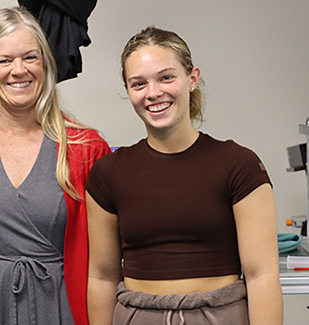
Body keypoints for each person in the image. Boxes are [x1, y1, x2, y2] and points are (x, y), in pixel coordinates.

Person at [85, 26, 283, 324]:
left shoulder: (239, 165)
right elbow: (101, 277)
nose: (153, 93)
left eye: (166, 77)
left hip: (220, 315)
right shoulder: (107, 173)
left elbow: (261, 276)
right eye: (139, 83)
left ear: (192, 79)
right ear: (127, 90)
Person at [0, 7, 111, 325]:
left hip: (57, 307)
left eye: (30, 57)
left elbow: (105, 265)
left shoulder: (86, 149)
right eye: (4, 60)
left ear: (46, 64)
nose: (18, 70)